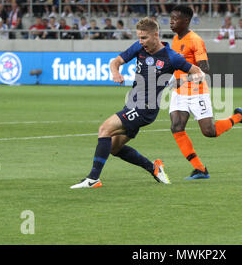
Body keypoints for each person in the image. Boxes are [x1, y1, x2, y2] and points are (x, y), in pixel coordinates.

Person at [70, 17, 206, 189]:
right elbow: (116, 61)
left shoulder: (171, 57)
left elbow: (199, 73)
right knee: (114, 147)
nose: (141, 42)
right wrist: (115, 73)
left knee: (105, 129)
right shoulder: (139, 47)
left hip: (145, 108)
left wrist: (179, 82)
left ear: (156, 35)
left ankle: (93, 179)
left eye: (144, 38)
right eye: (139, 37)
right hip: (132, 104)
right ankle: (154, 168)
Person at [169, 5, 242, 179]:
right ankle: (200, 169)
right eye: (170, 17)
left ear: (186, 21)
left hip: (197, 91)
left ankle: (239, 117)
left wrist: (182, 80)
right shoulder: (175, 39)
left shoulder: (195, 40)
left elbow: (204, 69)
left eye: (175, 18)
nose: (171, 21)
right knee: (177, 127)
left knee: (209, 132)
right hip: (179, 92)